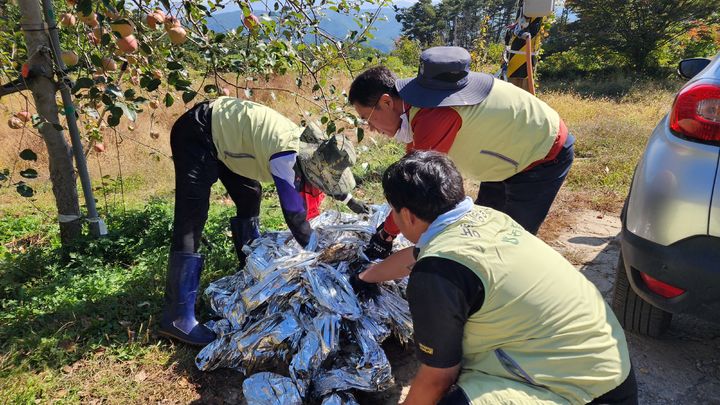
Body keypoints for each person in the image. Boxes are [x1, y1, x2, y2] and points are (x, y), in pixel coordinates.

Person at [355, 150, 637, 405]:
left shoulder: (435, 273)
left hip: (581, 392)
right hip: (607, 366)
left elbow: (438, 377)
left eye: (393, 210)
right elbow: (417, 256)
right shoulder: (484, 218)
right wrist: (367, 276)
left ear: (407, 215)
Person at [160, 96, 369, 346]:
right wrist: (319, 256)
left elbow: (326, 173)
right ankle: (177, 317)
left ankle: (250, 266)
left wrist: (350, 200)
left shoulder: (312, 152)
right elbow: (294, 214)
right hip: (198, 133)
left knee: (250, 195)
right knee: (191, 216)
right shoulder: (287, 157)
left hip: (227, 139)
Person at [349, 46, 575, 260]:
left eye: (367, 118)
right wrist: (389, 228)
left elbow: (417, 188)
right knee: (482, 229)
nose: (370, 128)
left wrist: (386, 235)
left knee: (510, 243)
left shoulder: (436, 114)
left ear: (387, 103)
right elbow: (412, 166)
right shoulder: (424, 103)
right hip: (507, 156)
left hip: (543, 155)